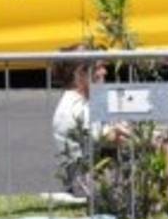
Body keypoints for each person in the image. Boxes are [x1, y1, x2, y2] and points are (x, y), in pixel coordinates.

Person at [50, 49, 133, 196]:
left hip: (91, 176)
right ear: (80, 74)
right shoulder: (75, 108)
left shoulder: (84, 101)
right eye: (99, 67)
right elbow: (110, 138)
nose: (105, 72)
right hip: (86, 183)